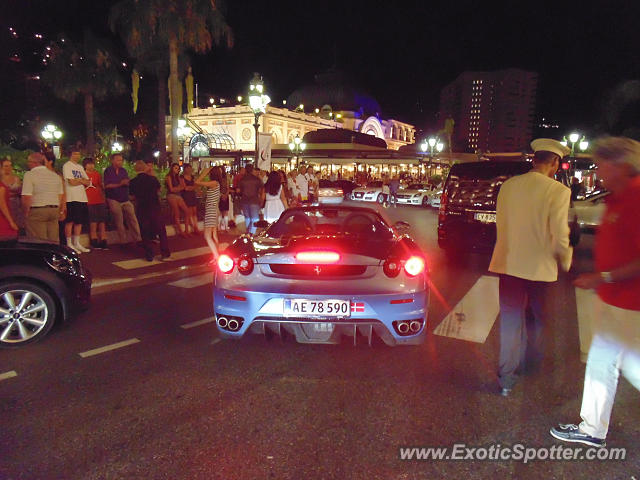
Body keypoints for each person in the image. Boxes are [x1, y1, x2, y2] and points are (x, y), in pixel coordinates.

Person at [550, 137, 640, 448]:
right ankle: (592, 429)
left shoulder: (637, 196)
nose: (598, 172)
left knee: (631, 365)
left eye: (602, 165)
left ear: (620, 165)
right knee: (605, 362)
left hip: (631, 303)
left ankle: (592, 428)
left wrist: (604, 277)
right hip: (616, 300)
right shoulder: (619, 197)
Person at [488, 138, 573, 396]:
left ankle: (506, 378)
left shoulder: (509, 186)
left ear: (534, 160)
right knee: (536, 319)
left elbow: (501, 223)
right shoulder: (558, 191)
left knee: (511, 320)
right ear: (555, 163)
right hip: (540, 268)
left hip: (510, 263)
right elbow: (559, 234)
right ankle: (532, 367)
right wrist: (566, 260)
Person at [129, 160, 170, 262]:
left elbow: (131, 196)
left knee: (145, 232)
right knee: (161, 231)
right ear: (144, 168)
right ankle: (164, 252)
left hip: (142, 208)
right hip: (154, 207)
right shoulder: (152, 179)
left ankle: (149, 254)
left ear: (135, 170)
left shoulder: (133, 181)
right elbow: (159, 190)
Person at [21, 152, 65, 243]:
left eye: (29, 161)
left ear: (34, 163)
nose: (28, 164)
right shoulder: (55, 176)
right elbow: (60, 195)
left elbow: (27, 197)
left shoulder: (29, 175)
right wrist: (60, 210)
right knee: (53, 240)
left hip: (37, 209)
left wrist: (25, 213)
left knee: (39, 240)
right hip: (53, 209)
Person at [103, 153, 141, 246]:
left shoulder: (123, 171)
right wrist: (120, 184)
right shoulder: (108, 171)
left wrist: (127, 183)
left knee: (132, 218)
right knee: (119, 219)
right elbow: (107, 185)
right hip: (113, 198)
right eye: (118, 160)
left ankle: (138, 238)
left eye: (121, 160)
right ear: (113, 161)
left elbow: (127, 182)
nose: (120, 162)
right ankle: (123, 240)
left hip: (124, 198)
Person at [62, 150, 91, 253]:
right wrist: (81, 180)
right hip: (71, 197)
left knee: (79, 221)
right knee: (70, 221)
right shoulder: (67, 166)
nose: (77, 156)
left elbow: (88, 182)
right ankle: (69, 243)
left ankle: (77, 243)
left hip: (81, 197)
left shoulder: (79, 167)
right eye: (75, 153)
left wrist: (79, 180)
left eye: (79, 154)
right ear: (70, 154)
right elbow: (71, 182)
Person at [195, 165, 221, 263]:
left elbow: (197, 182)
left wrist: (204, 172)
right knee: (214, 236)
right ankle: (216, 256)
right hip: (214, 210)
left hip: (211, 210)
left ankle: (217, 257)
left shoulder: (214, 183)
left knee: (207, 236)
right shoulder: (216, 183)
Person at [83, 157, 108, 249]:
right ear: (85, 165)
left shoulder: (97, 174)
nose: (91, 166)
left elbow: (100, 185)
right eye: (89, 164)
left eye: (92, 164)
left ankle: (103, 238)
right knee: (93, 220)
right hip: (89, 200)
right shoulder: (83, 174)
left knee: (102, 220)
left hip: (99, 199)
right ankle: (94, 238)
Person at [165, 163, 192, 236]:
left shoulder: (179, 177)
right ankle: (181, 232)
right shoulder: (169, 177)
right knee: (177, 213)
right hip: (171, 196)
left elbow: (183, 187)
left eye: (178, 168)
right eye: (175, 168)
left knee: (187, 212)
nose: (177, 170)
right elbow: (171, 189)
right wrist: (178, 188)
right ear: (172, 168)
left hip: (178, 195)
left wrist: (177, 188)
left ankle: (186, 231)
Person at [237, 163, 263, 234]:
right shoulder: (257, 179)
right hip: (254, 200)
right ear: (252, 170)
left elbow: (238, 190)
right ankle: (251, 233)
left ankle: (248, 232)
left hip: (244, 200)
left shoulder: (242, 179)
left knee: (247, 217)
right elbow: (261, 190)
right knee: (255, 218)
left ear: (245, 170)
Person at [1, 157, 23, 231]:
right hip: (5, 204)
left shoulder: (16, 178)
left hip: (16, 205)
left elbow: (20, 191)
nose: (8, 168)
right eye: (6, 166)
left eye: (10, 165)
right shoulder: (1, 180)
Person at [181, 164, 200, 235]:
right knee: (189, 212)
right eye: (188, 168)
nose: (189, 170)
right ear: (185, 169)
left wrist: (193, 188)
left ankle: (196, 227)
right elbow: (185, 188)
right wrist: (193, 187)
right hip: (186, 196)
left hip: (192, 195)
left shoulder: (192, 177)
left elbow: (196, 185)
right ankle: (193, 228)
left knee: (194, 212)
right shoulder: (182, 177)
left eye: (190, 168)